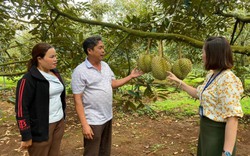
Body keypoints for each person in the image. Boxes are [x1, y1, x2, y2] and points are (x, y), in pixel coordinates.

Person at [167, 36, 243, 156]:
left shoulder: (228, 79)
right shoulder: (212, 75)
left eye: (203, 52)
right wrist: (178, 81)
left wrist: (226, 152)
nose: (202, 55)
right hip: (206, 131)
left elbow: (232, 118)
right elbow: (199, 93)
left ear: (213, 54)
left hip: (217, 134)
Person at [71, 35, 143, 156]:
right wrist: (85, 125)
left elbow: (113, 84)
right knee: (92, 152)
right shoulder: (80, 71)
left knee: (105, 151)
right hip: (93, 119)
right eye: (100, 48)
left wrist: (130, 77)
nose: (103, 51)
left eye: (103, 47)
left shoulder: (105, 66)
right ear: (89, 50)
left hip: (107, 116)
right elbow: (77, 99)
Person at [15, 43, 66, 156]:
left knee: (54, 153)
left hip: (59, 122)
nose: (55, 59)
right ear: (39, 58)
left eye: (56, 56)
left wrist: (63, 118)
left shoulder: (55, 73)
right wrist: (26, 135)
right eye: (51, 57)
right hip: (41, 127)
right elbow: (21, 109)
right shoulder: (28, 80)